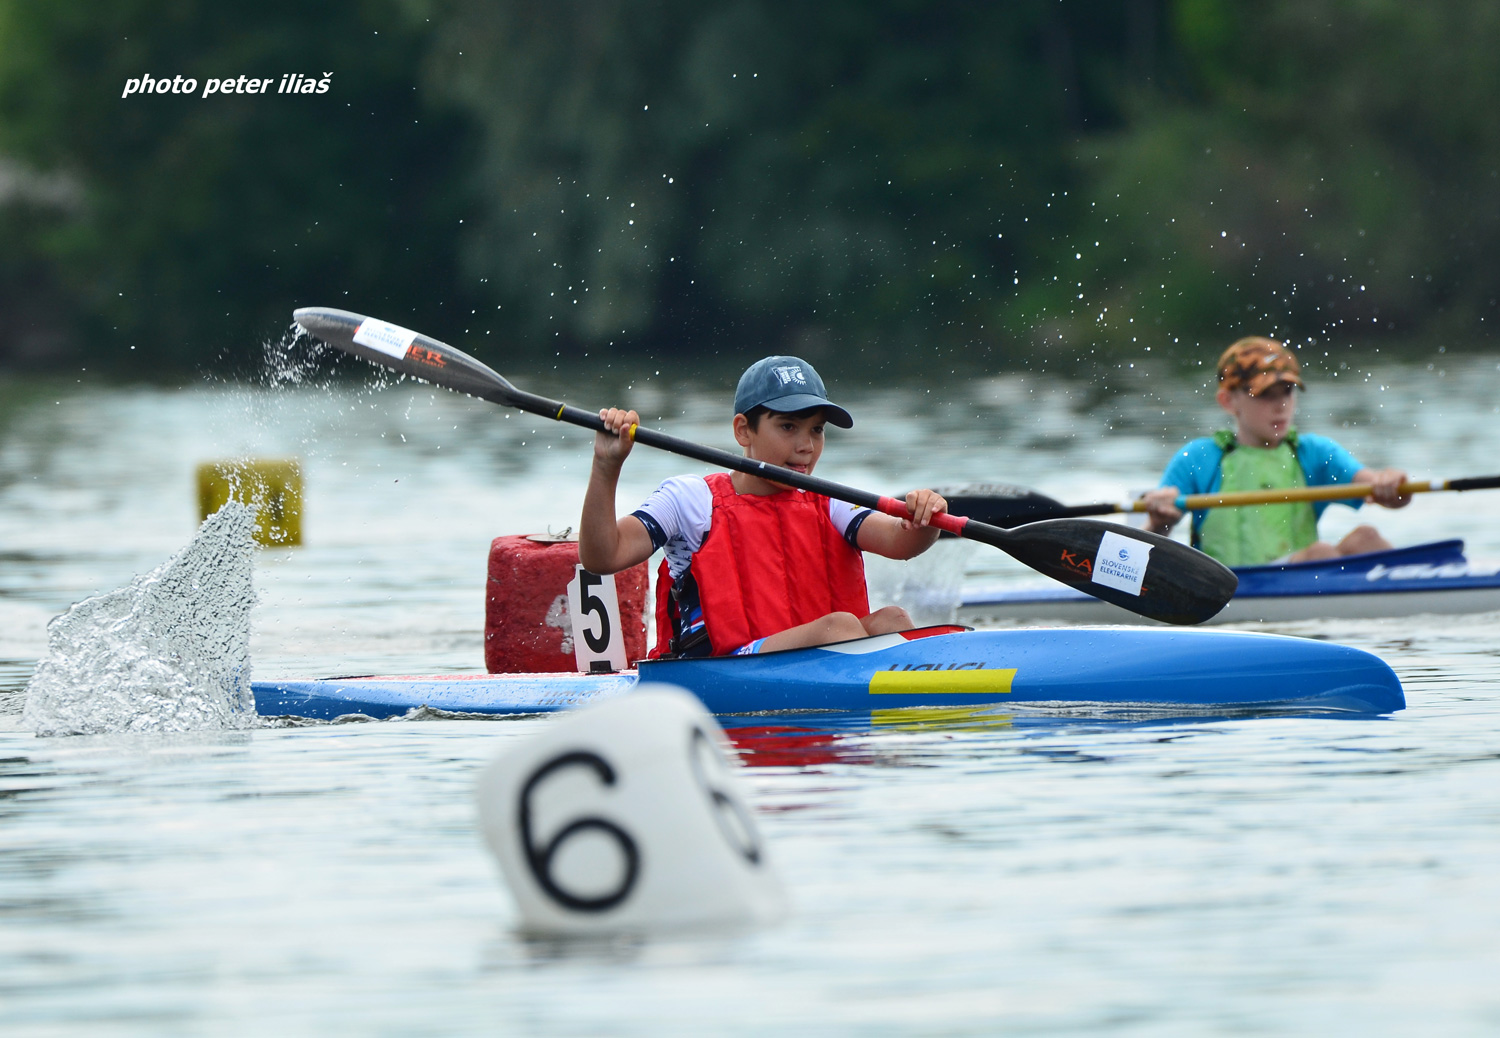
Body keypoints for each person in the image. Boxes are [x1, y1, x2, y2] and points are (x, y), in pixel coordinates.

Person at [579, 355, 948, 658]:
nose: (806, 446)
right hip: (719, 669)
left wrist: (924, 519)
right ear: (743, 430)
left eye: (817, 430)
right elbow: (603, 556)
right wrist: (606, 466)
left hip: (818, 656)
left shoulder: (830, 501)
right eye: (788, 427)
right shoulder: (690, 500)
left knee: (892, 621)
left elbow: (902, 544)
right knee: (841, 628)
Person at [1143, 336, 1411, 566]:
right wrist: (1159, 522)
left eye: (1287, 391)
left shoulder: (1314, 452)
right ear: (1228, 400)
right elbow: (1146, 547)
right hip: (1223, 586)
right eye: (1265, 394)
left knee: (1366, 538)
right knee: (1321, 554)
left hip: (1303, 574)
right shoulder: (1199, 458)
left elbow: (1387, 494)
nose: (1281, 405)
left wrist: (1391, 484)